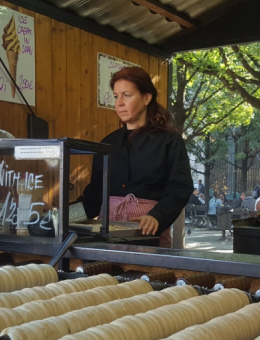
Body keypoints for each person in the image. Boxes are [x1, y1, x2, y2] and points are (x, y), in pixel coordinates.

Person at [79, 67, 192, 247]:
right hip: (106, 236)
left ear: (146, 98)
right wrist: (60, 215)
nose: (119, 103)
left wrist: (157, 216)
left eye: (127, 95)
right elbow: (94, 195)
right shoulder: (107, 143)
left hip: (148, 234)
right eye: (116, 96)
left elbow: (180, 187)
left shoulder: (169, 141)